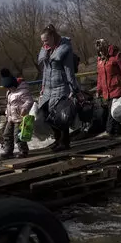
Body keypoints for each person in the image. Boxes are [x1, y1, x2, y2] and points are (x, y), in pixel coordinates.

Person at [38, 24, 80, 152]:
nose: (44, 43)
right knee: (46, 114)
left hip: (61, 86)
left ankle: (64, 142)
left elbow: (69, 70)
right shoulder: (46, 49)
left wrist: (73, 89)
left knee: (61, 115)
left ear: (52, 36)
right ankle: (57, 140)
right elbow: (45, 70)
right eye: (43, 41)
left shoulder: (64, 48)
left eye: (46, 40)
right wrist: (43, 86)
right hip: (49, 88)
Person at [95, 39, 121, 137]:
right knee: (114, 112)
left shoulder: (116, 56)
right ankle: (117, 133)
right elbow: (100, 76)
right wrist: (98, 89)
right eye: (99, 52)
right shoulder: (100, 60)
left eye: (102, 50)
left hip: (117, 87)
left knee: (113, 111)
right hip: (107, 90)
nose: (101, 53)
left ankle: (109, 131)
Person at [0, 68, 34, 159]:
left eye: (10, 87)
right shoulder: (9, 93)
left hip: (19, 117)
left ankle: (23, 151)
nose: (9, 89)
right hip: (11, 118)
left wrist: (24, 108)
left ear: (14, 85)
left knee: (18, 135)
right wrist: (7, 113)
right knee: (6, 134)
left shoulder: (23, 91)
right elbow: (9, 104)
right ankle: (8, 151)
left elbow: (29, 101)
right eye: (7, 88)